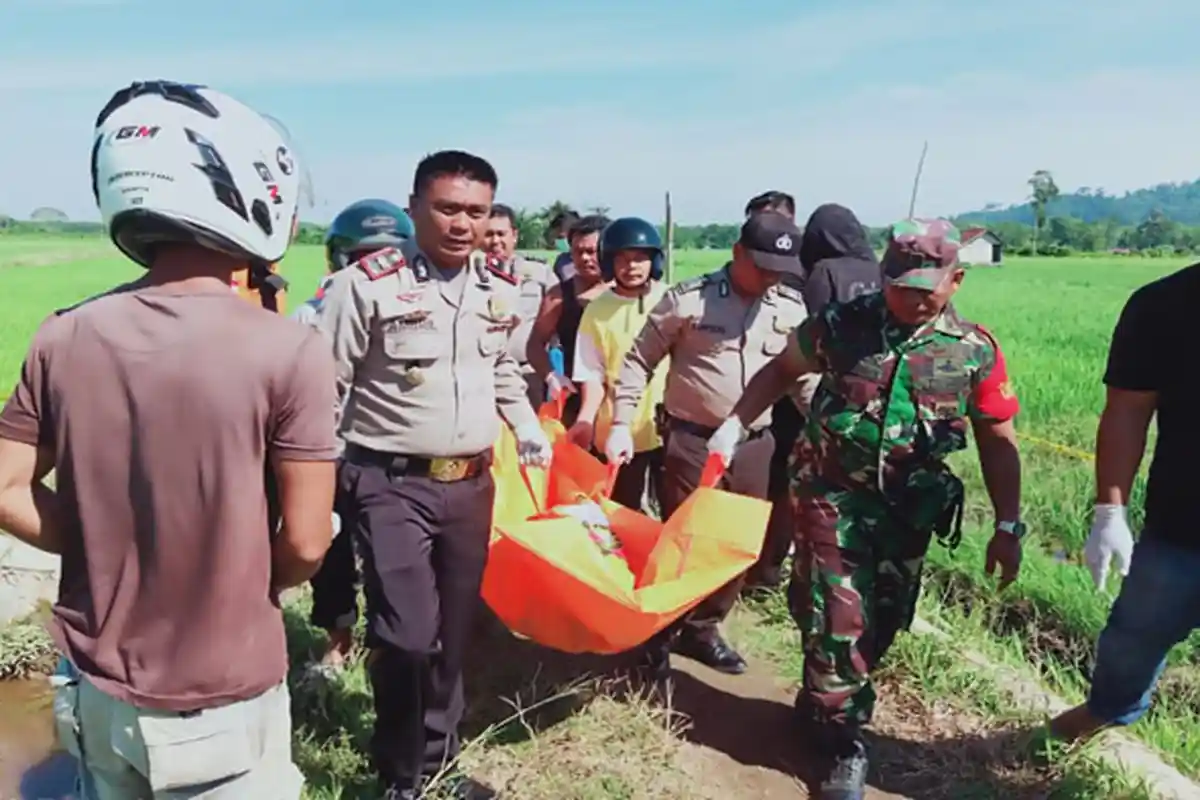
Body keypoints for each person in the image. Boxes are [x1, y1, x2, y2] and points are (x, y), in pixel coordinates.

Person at [0, 81, 337, 798]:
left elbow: (5, 488)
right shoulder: (288, 351)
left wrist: (101, 548)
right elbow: (307, 543)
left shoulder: (63, 334)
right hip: (221, 698)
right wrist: (245, 574)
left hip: (94, 690)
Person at [711, 218, 1023, 799]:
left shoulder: (970, 351)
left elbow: (997, 437)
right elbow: (782, 370)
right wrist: (734, 424)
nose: (908, 297)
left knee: (882, 618)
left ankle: (823, 697)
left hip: (908, 511)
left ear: (956, 280)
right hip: (831, 496)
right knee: (840, 616)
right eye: (897, 283)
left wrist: (1008, 524)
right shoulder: (841, 327)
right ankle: (844, 742)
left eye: (923, 287)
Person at [315, 149, 551, 800]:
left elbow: (503, 370)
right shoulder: (363, 286)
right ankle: (398, 773)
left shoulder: (498, 289)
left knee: (452, 634)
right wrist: (315, 482)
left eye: (476, 211)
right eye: (447, 208)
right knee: (407, 636)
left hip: (470, 484)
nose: (461, 223)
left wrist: (527, 428)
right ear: (416, 207)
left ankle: (437, 765)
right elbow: (323, 387)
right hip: (389, 482)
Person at [609, 212, 811, 678]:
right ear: (738, 253)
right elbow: (639, 361)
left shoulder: (789, 308)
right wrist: (621, 422)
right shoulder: (689, 301)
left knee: (737, 545)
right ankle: (658, 629)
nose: (768, 279)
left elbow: (804, 383)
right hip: (693, 442)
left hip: (755, 443)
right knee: (685, 541)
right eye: (761, 267)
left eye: (778, 271)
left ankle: (703, 628)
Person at [1049, 262, 1200, 747]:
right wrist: (1109, 513)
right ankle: (1102, 715)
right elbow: (1127, 412)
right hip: (1181, 528)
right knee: (1130, 643)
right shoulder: (1165, 304)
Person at [292, 198, 415, 672]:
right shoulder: (310, 316)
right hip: (332, 451)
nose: (374, 269)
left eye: (387, 256)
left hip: (392, 452)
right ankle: (338, 641)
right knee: (331, 553)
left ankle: (390, 644)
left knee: (392, 554)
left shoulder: (416, 312)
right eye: (363, 257)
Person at [747, 202, 883, 591]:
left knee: (786, 483)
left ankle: (766, 571)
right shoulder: (880, 273)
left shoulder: (822, 273)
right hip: (872, 398)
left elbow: (811, 332)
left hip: (813, 391)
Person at [568, 217, 669, 510]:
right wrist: (585, 419)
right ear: (609, 263)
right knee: (622, 508)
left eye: (640, 259)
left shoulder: (671, 301)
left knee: (674, 507)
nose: (632, 266)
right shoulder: (597, 311)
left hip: (667, 425)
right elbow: (591, 372)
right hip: (616, 427)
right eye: (622, 259)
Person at [525, 214, 610, 426]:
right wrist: (551, 376)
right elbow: (535, 344)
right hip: (576, 395)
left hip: (625, 395)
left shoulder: (630, 292)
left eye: (591, 252)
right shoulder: (560, 295)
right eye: (578, 252)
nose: (584, 259)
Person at [484, 203, 553, 406]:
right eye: (488, 234)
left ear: (514, 235)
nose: (495, 241)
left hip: (527, 374)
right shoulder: (468, 274)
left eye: (501, 233)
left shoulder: (540, 273)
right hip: (482, 375)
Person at [549, 208, 581, 281]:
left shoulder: (595, 260)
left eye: (561, 237)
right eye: (556, 238)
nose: (558, 241)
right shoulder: (561, 261)